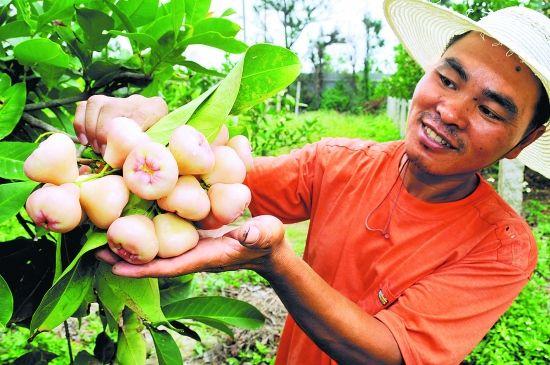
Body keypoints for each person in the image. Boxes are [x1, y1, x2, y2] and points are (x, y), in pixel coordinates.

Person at [76, 0, 550, 364]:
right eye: (447, 80)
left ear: (523, 141)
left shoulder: (501, 246)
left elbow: (390, 353)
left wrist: (277, 262)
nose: (450, 111)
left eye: (489, 110)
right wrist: (149, 128)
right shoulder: (338, 163)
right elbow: (215, 179)